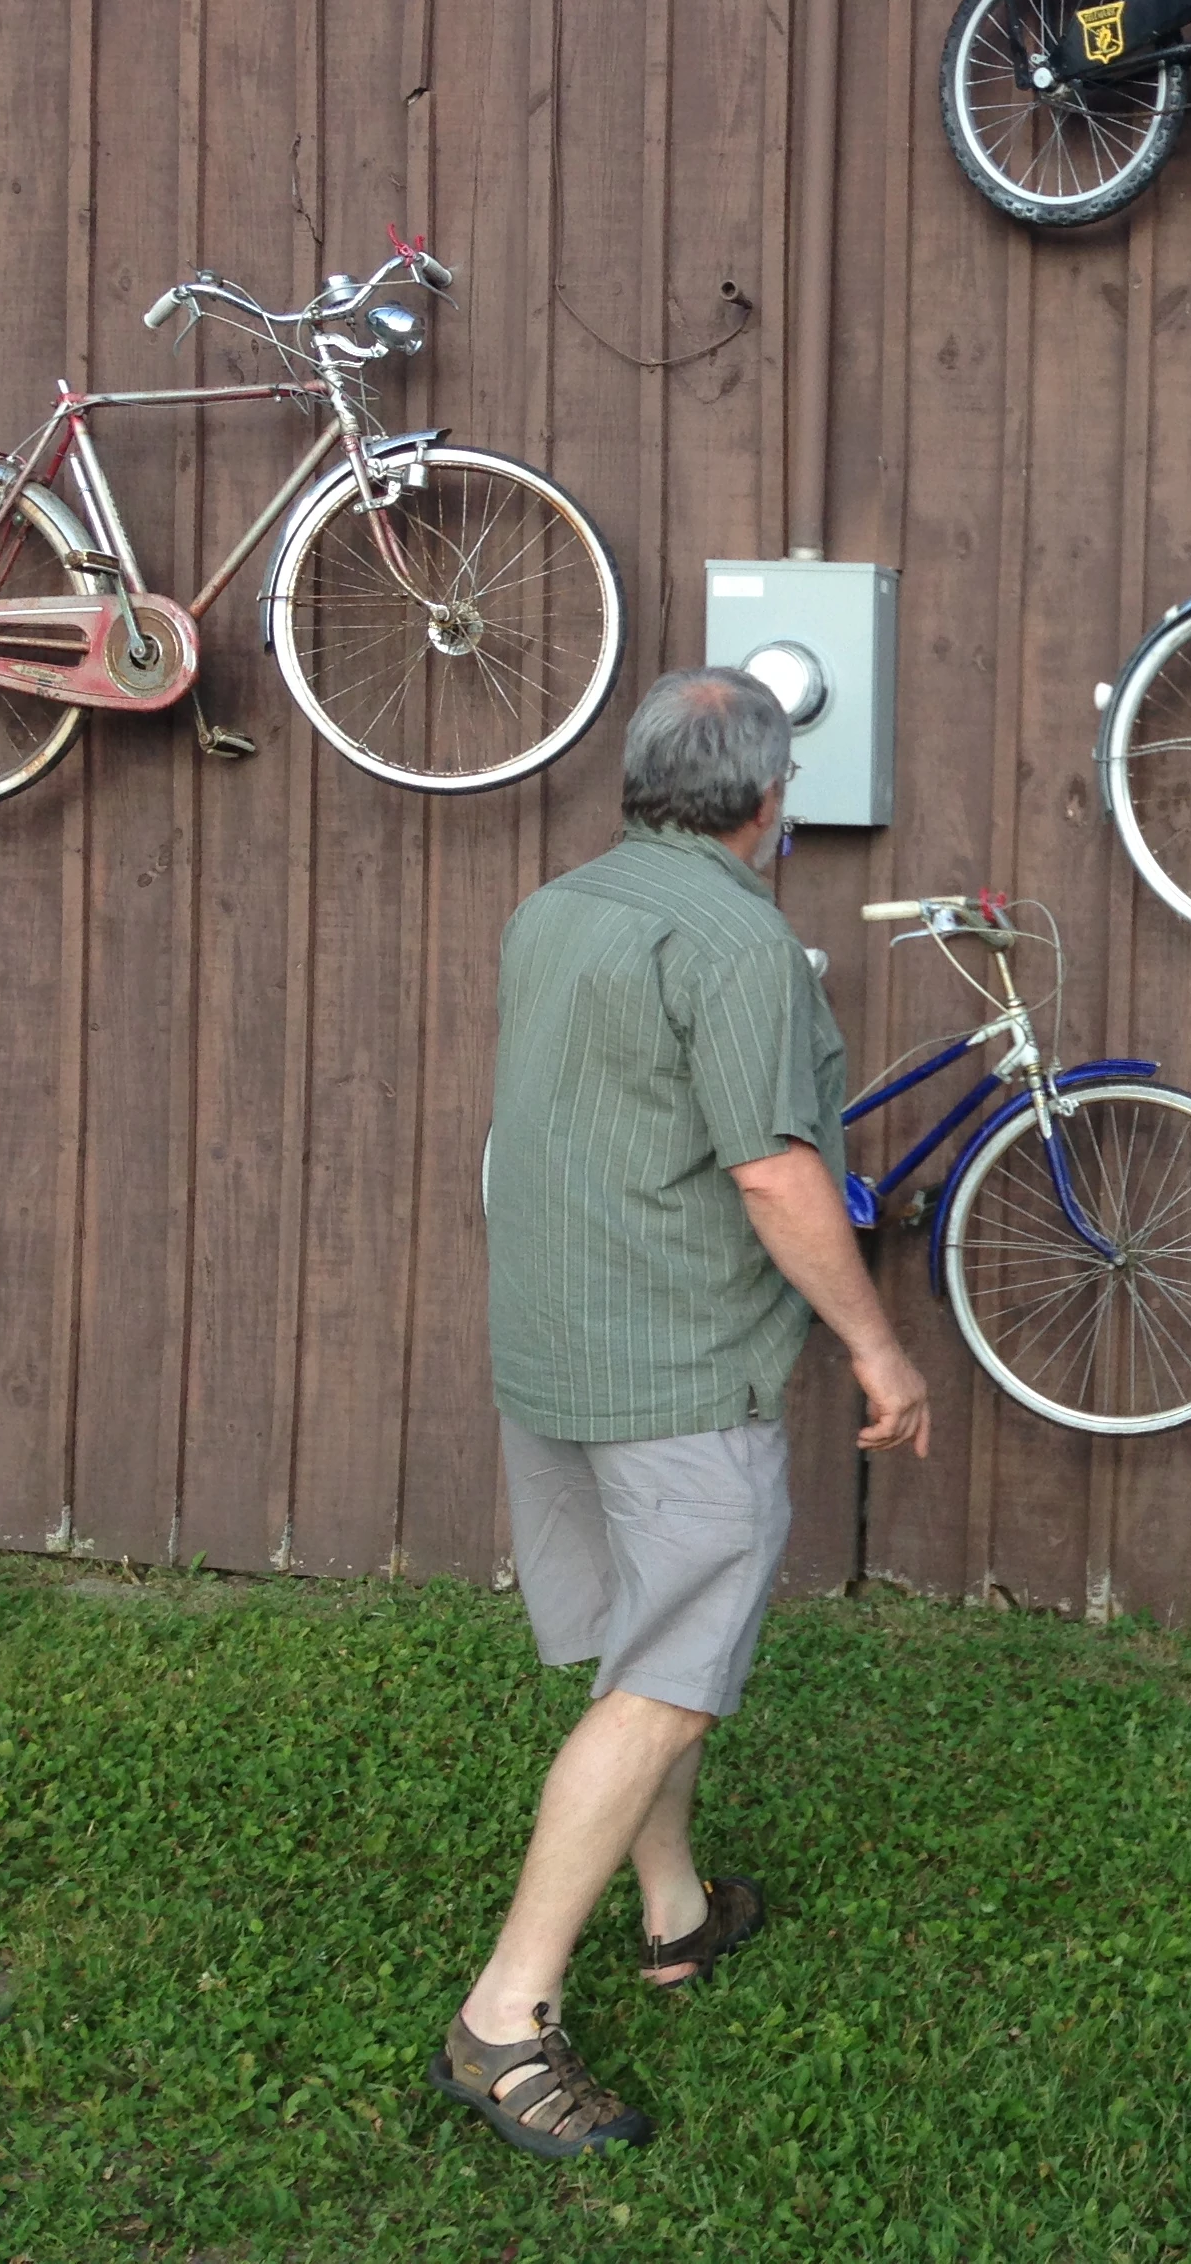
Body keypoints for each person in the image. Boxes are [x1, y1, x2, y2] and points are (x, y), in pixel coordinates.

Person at [431, 666, 932, 2160]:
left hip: (552, 1345)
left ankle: (677, 1910)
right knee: (668, 1679)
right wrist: (879, 1349)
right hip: (674, 1367)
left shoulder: (554, 909)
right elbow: (773, 1173)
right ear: (770, 799)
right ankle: (504, 2019)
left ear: (642, 780)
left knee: (643, 1643)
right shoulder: (742, 943)